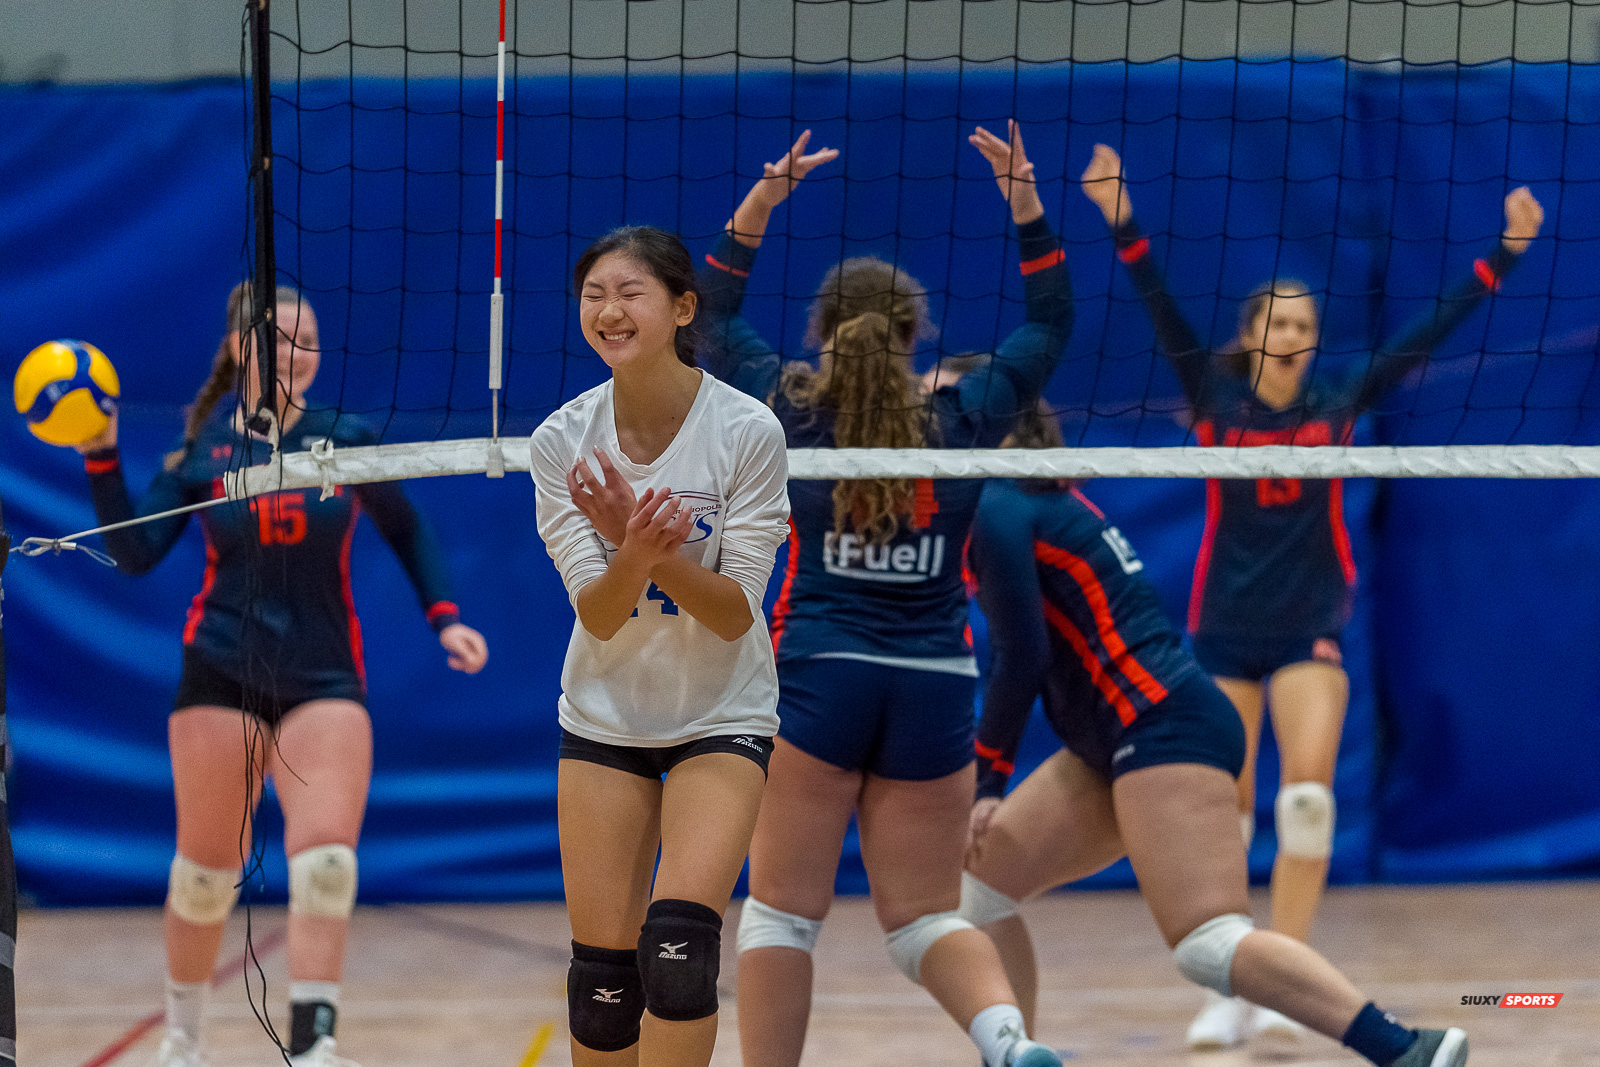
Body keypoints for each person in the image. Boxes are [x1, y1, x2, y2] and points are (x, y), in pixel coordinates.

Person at [1079, 143, 1544, 1048]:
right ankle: (1237, 977)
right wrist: (1119, 215)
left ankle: (1284, 975)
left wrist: (1506, 253)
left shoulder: (1337, 403)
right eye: (1280, 322)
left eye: (1305, 323)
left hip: (1308, 628)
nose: (1295, 334)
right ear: (1252, 332)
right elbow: (1160, 306)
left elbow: (1425, 334)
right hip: (1222, 629)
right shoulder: (1212, 399)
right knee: (1227, 806)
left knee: (1308, 800)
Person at [698, 123, 1073, 1067]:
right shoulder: (966, 412)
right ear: (918, 337)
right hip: (936, 681)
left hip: (824, 672)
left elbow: (704, 316)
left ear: (822, 334)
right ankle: (1007, 1039)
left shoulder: (788, 403)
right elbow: (1051, 323)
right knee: (920, 920)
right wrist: (1025, 199)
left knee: (780, 916)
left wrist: (760, 204)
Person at [958, 401, 1473, 1067]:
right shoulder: (1028, 504)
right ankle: (1013, 1056)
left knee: (1209, 943)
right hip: (1114, 737)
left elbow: (1020, 655)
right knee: (980, 891)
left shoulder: (1002, 503)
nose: (933, 415)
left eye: (951, 400)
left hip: (1162, 724)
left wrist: (989, 777)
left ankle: (1407, 1047)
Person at [75, 283, 489, 1067]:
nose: (299, 353)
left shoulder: (345, 436)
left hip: (324, 676)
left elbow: (407, 529)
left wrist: (446, 616)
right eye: (282, 338)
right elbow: (133, 557)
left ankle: (314, 1043)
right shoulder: (201, 453)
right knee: (204, 877)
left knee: (327, 864)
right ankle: (182, 1038)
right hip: (221, 670)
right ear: (241, 350)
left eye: (309, 339)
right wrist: (100, 451)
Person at [527, 225, 791, 1067]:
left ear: (681, 307)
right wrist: (632, 553)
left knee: (678, 955)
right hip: (606, 713)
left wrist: (650, 551)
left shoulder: (747, 431)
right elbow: (600, 615)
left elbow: (733, 614)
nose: (608, 309)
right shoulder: (561, 441)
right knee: (602, 985)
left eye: (629, 292)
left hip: (723, 708)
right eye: (593, 294)